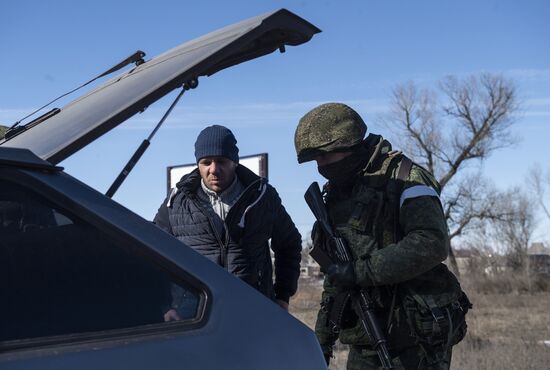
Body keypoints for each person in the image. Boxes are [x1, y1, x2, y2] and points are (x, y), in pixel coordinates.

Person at [294, 103, 471, 369]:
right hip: (366, 337)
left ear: (349, 143)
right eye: (315, 159)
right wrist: (323, 340)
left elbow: (431, 243)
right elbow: (336, 279)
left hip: (416, 337)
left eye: (325, 155)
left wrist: (359, 272)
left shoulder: (405, 178)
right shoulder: (338, 193)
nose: (321, 165)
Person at [154, 124, 302, 319]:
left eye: (221, 161)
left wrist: (283, 296)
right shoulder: (176, 202)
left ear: (234, 162)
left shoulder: (262, 197)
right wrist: (165, 305)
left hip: (252, 311)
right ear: (198, 164)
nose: (214, 169)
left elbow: (289, 243)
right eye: (206, 162)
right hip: (194, 316)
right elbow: (154, 253)